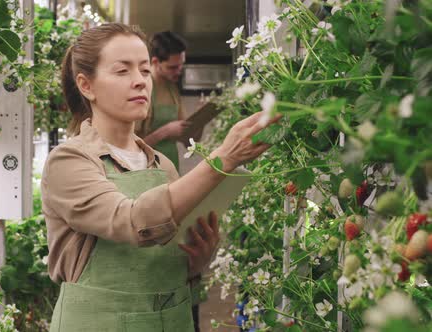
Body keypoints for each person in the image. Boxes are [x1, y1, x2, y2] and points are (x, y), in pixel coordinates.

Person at [41, 23, 276, 332]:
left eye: (144, 71)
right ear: (87, 86)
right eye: (122, 71)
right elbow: (130, 220)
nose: (139, 82)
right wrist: (223, 159)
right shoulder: (69, 160)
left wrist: (196, 260)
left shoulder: (162, 164)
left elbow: (168, 255)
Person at [135, 31, 198, 171]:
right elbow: (130, 147)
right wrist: (164, 132)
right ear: (156, 62)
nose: (178, 71)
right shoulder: (141, 88)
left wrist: (201, 120)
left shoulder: (172, 88)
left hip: (170, 165)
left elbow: (187, 140)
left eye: (181, 65)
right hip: (147, 169)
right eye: (173, 67)